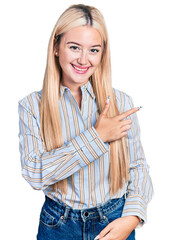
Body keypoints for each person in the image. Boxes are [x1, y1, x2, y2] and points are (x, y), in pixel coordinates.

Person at [18, 4, 153, 240]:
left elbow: (138, 167)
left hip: (114, 221)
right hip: (58, 226)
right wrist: (97, 137)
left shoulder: (120, 101)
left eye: (93, 50)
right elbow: (34, 173)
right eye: (74, 47)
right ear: (56, 48)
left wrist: (132, 218)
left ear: (102, 54)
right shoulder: (31, 106)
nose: (83, 59)